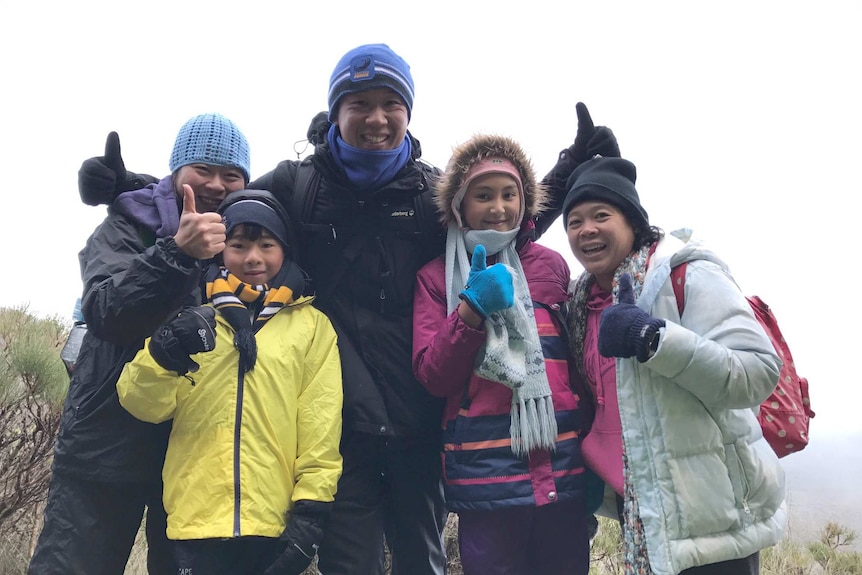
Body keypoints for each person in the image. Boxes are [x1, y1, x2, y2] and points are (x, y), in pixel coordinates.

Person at [76, 42, 620, 574]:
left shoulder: (430, 194)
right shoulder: (299, 185)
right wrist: (135, 189)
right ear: (336, 111)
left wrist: (569, 171)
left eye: (391, 104)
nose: (376, 118)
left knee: (420, 561)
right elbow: (226, 209)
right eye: (359, 104)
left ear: (409, 113)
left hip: (416, 420)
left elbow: (499, 225)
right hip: (341, 425)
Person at [29, 112, 251, 575]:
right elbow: (107, 312)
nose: (216, 184)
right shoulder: (126, 225)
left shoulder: (248, 240)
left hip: (193, 450)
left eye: (231, 174)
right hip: (106, 440)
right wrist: (175, 254)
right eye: (202, 170)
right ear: (177, 172)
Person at [561, 155, 787, 574]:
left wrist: (652, 338)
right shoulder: (581, 305)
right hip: (643, 517)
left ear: (631, 221)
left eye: (601, 215)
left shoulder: (684, 274)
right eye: (574, 221)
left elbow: (756, 371)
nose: (586, 229)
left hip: (713, 526)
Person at [116, 190, 343, 575]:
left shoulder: (311, 326)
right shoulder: (192, 313)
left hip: (275, 522)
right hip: (196, 520)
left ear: (284, 249)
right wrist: (163, 352)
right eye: (238, 245)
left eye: (266, 245)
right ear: (221, 250)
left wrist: (311, 511)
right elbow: (141, 403)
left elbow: (320, 425)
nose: (253, 257)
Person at [412, 135, 596, 575]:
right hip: (485, 476)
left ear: (525, 201)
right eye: (483, 195)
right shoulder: (436, 277)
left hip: (561, 466)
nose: (498, 207)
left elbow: (576, 364)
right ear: (459, 205)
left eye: (509, 194)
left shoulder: (551, 265)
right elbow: (432, 376)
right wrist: (470, 310)